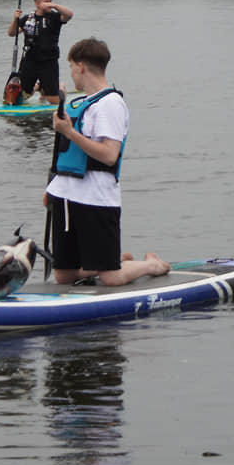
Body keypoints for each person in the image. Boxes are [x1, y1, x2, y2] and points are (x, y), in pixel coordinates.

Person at [44, 37, 170, 286]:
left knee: (111, 279)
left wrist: (69, 132)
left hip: (97, 197)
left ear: (80, 66)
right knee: (64, 276)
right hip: (67, 196)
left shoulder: (111, 104)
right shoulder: (80, 104)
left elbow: (109, 154)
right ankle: (114, 261)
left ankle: (150, 265)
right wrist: (52, 190)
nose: (71, 74)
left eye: (71, 67)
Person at [7, 0, 73, 104]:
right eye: (46, 1)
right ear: (38, 4)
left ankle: (60, 87)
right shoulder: (28, 19)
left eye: (50, 1)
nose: (49, 3)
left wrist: (54, 6)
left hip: (49, 62)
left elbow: (69, 15)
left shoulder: (55, 17)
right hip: (29, 60)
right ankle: (39, 87)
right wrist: (15, 19)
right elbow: (12, 33)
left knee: (54, 101)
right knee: (21, 96)